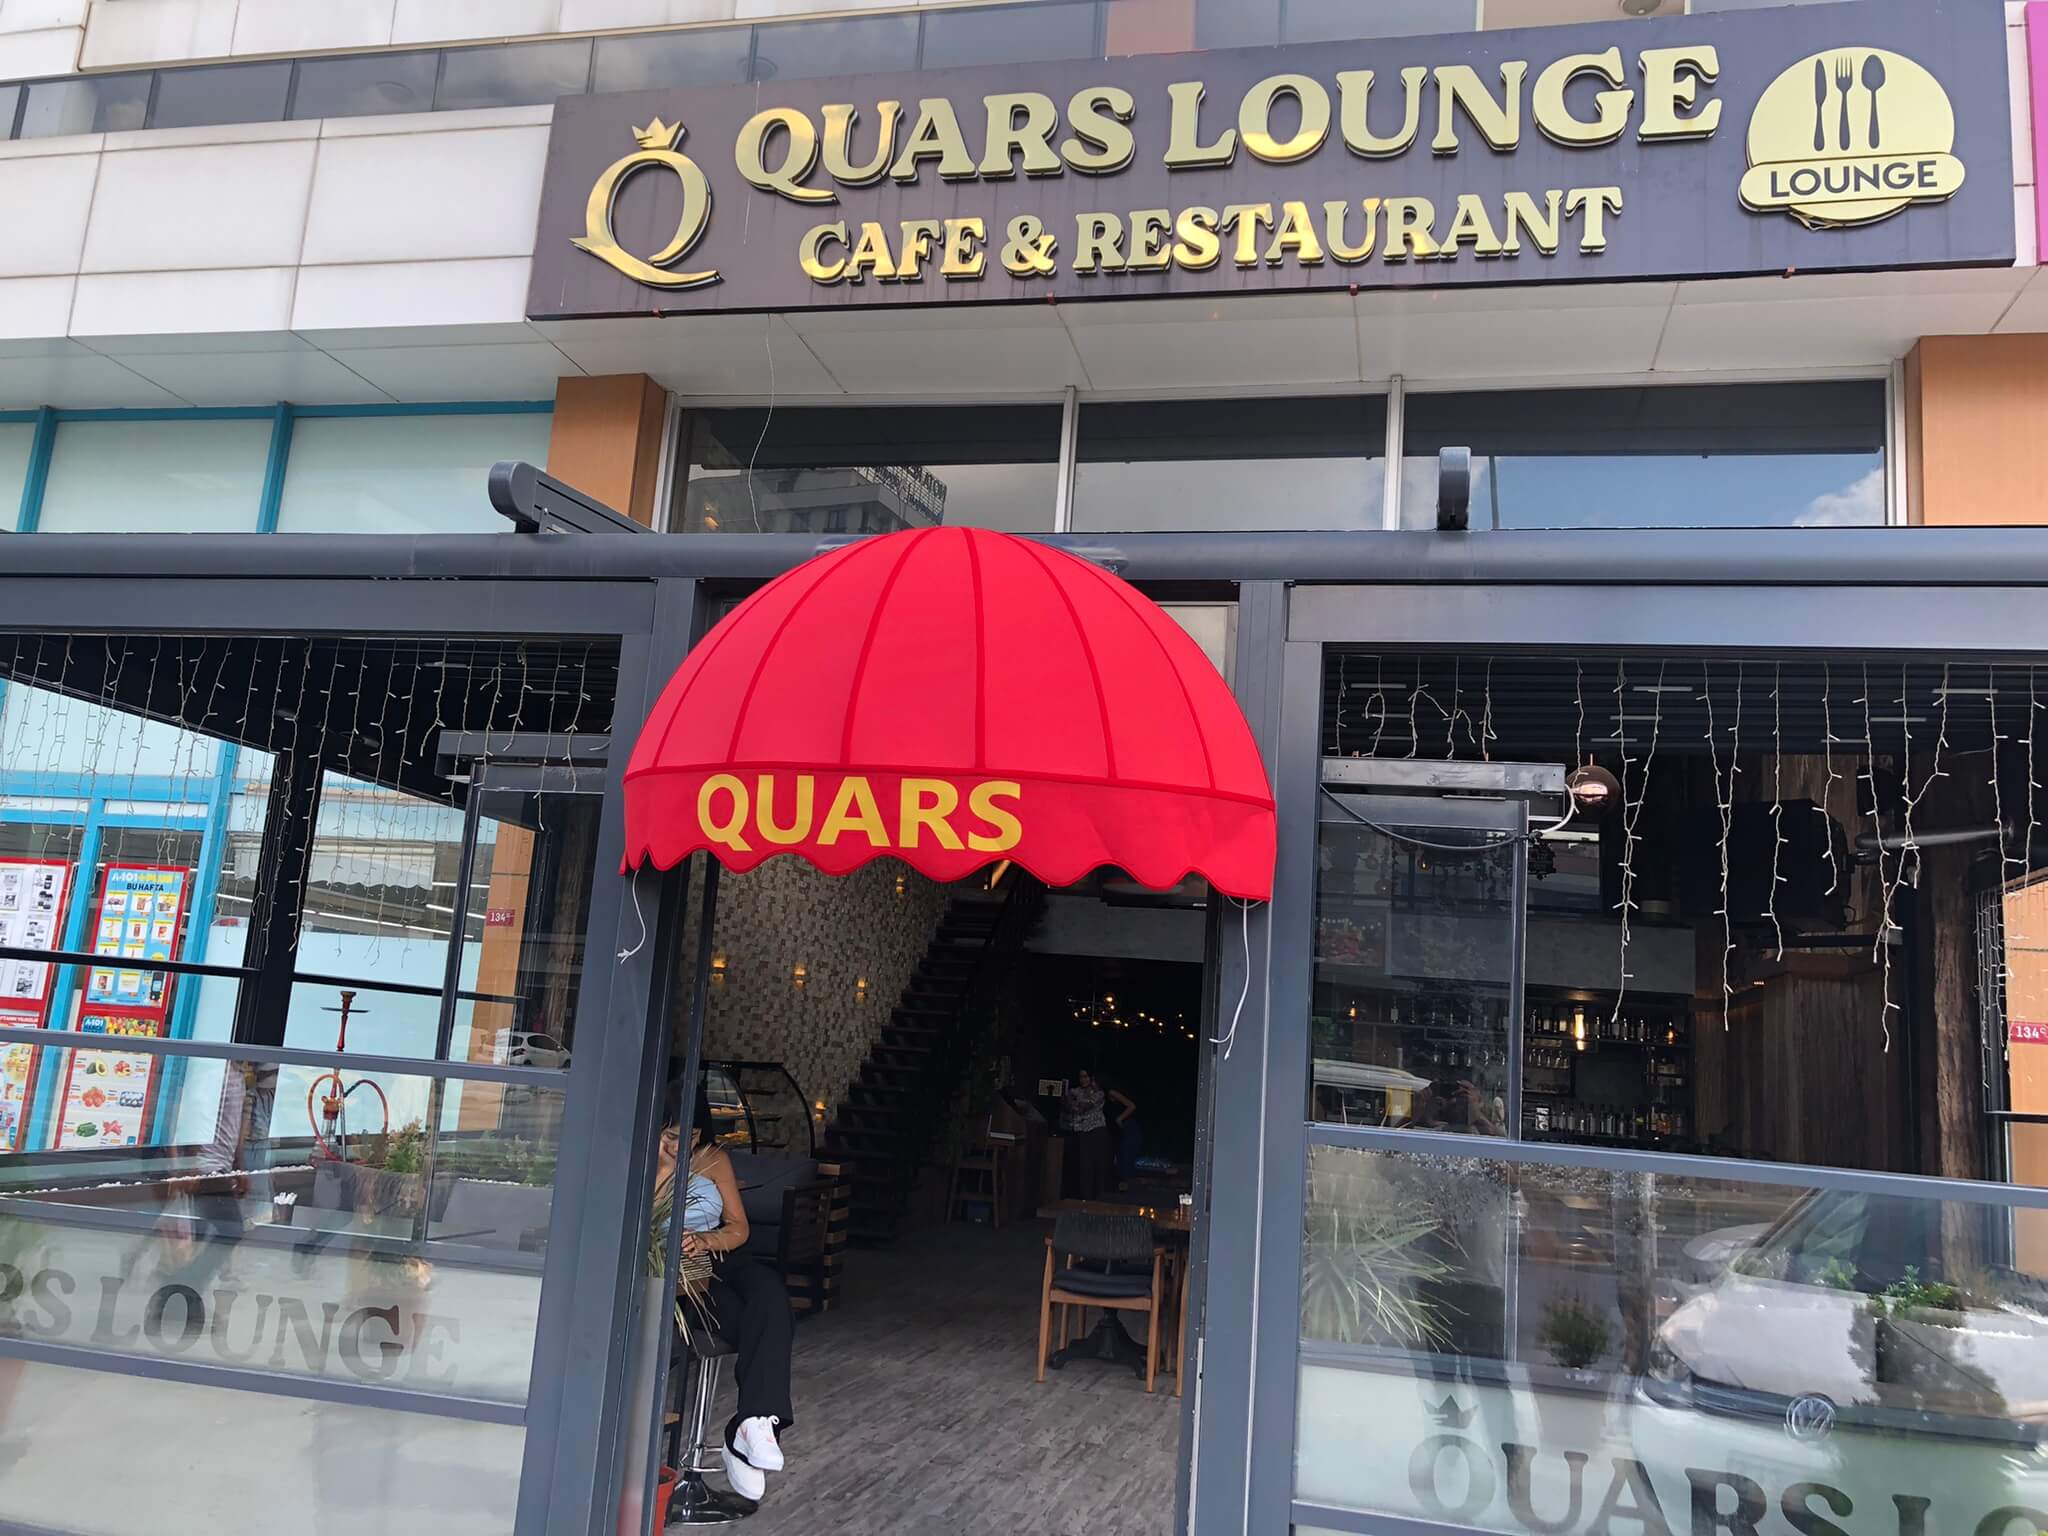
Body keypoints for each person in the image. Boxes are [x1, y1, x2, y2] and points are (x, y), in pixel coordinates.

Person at [657, 1074, 795, 1503]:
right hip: (681, 1275)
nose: (683, 1145)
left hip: (722, 1256)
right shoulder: (639, 1162)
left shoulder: (714, 1159)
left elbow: (739, 1227)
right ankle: (743, 1433)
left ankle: (756, 1422)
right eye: (671, 1136)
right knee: (757, 1323)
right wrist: (666, 1168)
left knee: (770, 1292)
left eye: (692, 1136)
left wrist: (706, 1239)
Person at [1062, 1068, 1114, 1200]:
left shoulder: (1098, 1093)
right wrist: (1071, 1102)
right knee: (1085, 1166)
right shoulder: (1076, 1091)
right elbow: (1066, 1102)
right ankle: (1085, 1197)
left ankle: (1099, 1198)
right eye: (1081, 1077)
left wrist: (1074, 1103)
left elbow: (1084, 1107)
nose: (1083, 1080)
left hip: (1096, 1131)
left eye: (1086, 1077)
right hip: (1082, 1132)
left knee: (1098, 1165)